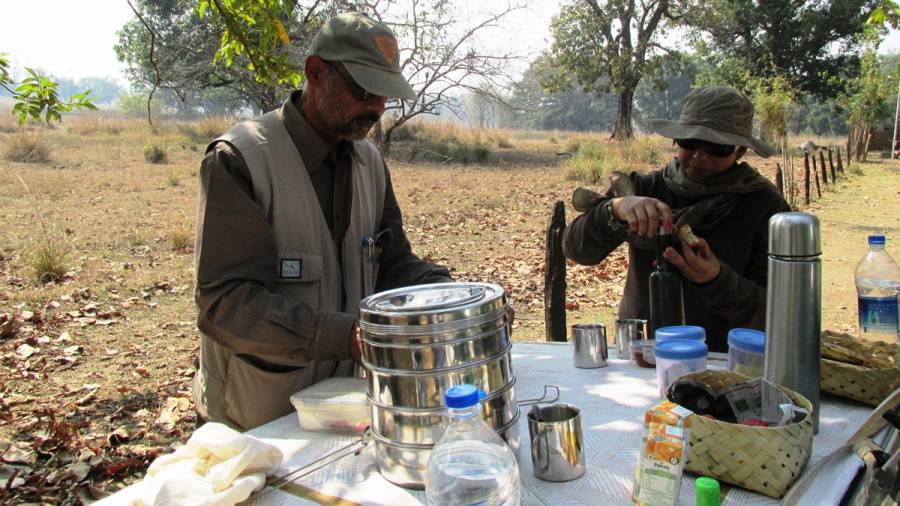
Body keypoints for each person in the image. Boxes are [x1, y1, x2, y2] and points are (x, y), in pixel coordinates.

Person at [192, 12, 453, 431]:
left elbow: (393, 264)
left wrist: (452, 298)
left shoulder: (370, 161)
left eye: (385, 94)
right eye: (364, 90)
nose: (377, 108)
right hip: (257, 420)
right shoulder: (240, 160)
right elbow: (227, 306)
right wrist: (347, 336)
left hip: (347, 411)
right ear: (315, 72)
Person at [563, 86, 791, 352]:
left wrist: (717, 280)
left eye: (717, 148)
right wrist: (612, 210)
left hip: (722, 360)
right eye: (690, 143)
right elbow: (576, 250)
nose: (699, 156)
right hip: (643, 355)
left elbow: (776, 312)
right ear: (676, 141)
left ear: (739, 151)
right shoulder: (643, 189)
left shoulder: (765, 206)